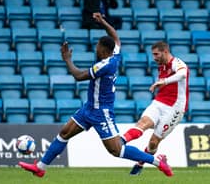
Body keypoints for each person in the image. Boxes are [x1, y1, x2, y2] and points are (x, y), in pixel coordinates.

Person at [18, 13, 173, 178]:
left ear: (104, 50)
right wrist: (103, 22)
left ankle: (157, 161)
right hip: (89, 108)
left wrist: (67, 60)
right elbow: (115, 37)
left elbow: (78, 76)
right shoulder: (115, 53)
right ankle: (40, 167)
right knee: (64, 133)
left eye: (98, 46)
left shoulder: (104, 65)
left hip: (101, 112)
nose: (96, 48)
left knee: (116, 149)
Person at [122, 41, 189, 175]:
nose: (154, 58)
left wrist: (163, 81)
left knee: (153, 143)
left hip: (175, 108)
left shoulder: (177, 63)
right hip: (159, 103)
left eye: (156, 54)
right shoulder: (161, 66)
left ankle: (141, 163)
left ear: (165, 52)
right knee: (142, 124)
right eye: (153, 55)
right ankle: (120, 141)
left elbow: (183, 74)